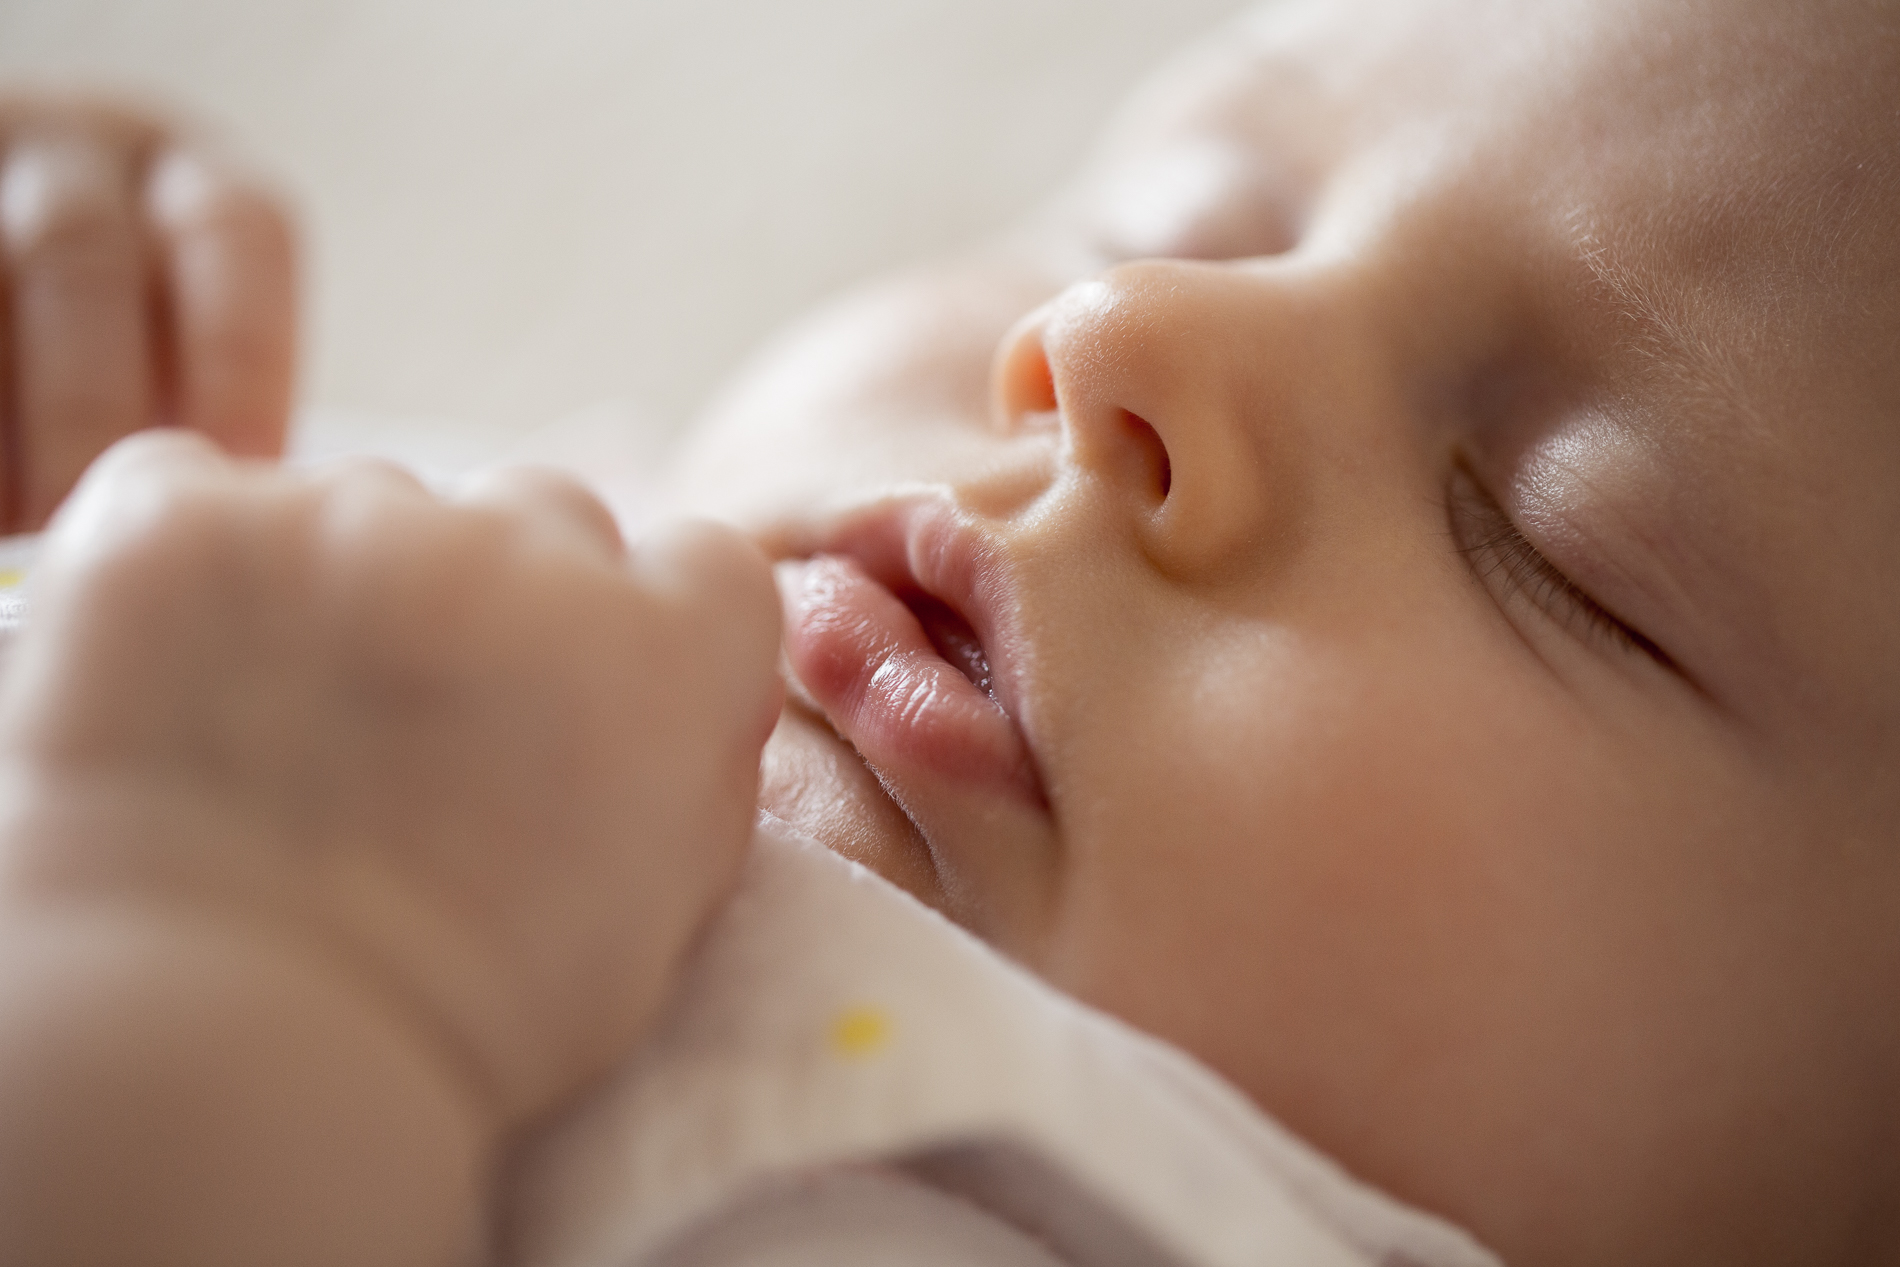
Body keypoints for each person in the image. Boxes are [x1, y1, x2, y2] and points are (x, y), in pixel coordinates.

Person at [0, 0, 1896, 1261]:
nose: (1120, 335)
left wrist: (247, 957)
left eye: (1549, 542)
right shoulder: (487, 563)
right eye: (1176, 213)